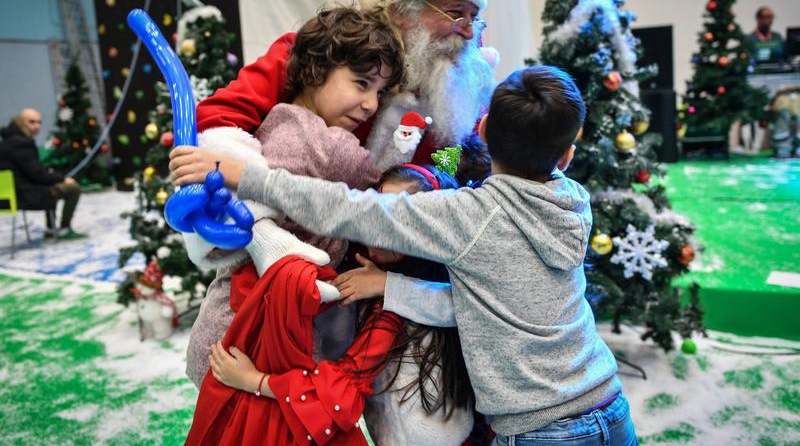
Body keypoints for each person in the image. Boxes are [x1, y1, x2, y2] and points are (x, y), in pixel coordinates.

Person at [171, 65, 637, 445]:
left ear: (484, 129)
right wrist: (390, 285)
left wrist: (245, 176)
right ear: (567, 157)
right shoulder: (574, 199)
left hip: (542, 429)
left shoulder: (470, 216)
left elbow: (350, 209)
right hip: (608, 402)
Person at [184, 4, 411, 388]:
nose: (372, 104)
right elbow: (386, 182)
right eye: (361, 83)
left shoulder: (279, 120)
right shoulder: (330, 144)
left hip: (229, 325)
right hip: (263, 335)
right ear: (316, 70)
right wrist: (422, 143)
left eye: (380, 91)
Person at [201, 164, 477, 446]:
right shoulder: (367, 282)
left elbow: (340, 390)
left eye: (404, 219)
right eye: (378, 211)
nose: (382, 229)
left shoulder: (419, 302)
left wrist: (253, 381)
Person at [0, 108, 86, 239]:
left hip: (12, 194)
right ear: (21, 122)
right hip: (25, 194)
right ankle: (64, 229)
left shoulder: (9, 140)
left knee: (52, 184)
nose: (36, 126)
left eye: (39, 122)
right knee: (73, 188)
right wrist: (62, 178)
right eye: (32, 122)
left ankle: (51, 229)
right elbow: (38, 175)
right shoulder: (21, 143)